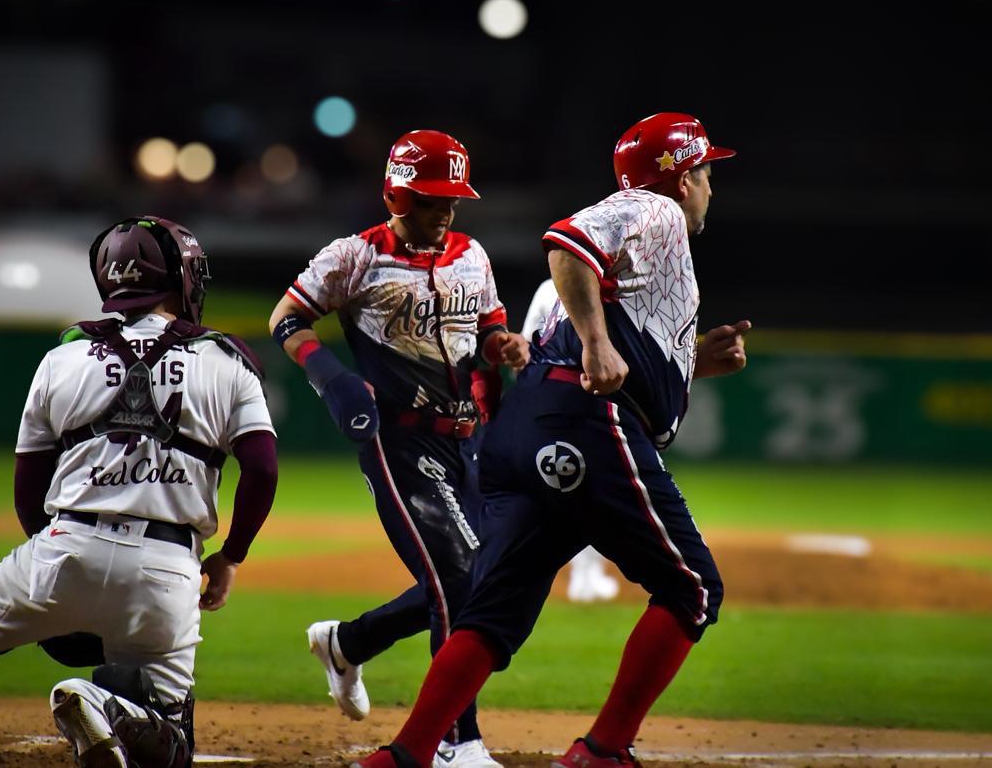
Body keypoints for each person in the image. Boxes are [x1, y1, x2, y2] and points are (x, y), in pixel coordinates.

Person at [352, 112, 750, 768]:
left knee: (491, 612)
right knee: (692, 587)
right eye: (705, 172)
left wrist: (693, 362)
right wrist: (595, 344)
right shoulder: (653, 211)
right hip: (585, 423)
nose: (710, 186)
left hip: (537, 423)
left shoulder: (656, 242)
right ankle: (604, 750)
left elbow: (626, 347)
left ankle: (405, 755)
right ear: (679, 179)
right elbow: (567, 242)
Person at [0, 216, 279, 768]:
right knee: (172, 744)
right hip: (166, 570)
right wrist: (231, 556)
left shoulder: (61, 358)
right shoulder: (229, 362)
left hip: (62, 548)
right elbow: (263, 471)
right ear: (181, 279)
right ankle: (102, 706)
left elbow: (28, 489)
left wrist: (61, 569)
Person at [268, 130, 528, 768]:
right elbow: (287, 319)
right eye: (434, 199)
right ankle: (455, 740)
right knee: (463, 578)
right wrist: (332, 379)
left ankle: (348, 643)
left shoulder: (472, 254)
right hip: (399, 440)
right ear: (398, 193)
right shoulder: (355, 257)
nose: (447, 211)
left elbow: (488, 328)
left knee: (475, 580)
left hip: (469, 443)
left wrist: (503, 348)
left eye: (453, 199)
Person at [521, 278, 620, 604]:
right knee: (595, 495)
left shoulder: (550, 286)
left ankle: (582, 574)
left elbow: (524, 351)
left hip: (545, 404)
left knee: (568, 495)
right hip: (593, 407)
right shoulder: (621, 289)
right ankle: (586, 577)